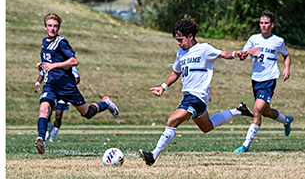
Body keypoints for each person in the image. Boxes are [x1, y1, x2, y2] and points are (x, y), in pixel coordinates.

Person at [139, 18, 255, 166]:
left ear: (190, 36)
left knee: (172, 120)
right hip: (188, 97)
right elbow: (176, 72)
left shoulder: (204, 49)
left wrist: (236, 53)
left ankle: (153, 156)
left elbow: (223, 54)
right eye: (177, 41)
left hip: (197, 97)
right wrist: (163, 87)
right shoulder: (181, 52)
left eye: (181, 40)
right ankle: (239, 110)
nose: (179, 43)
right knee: (207, 127)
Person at [35, 13, 119, 154]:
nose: (52, 29)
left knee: (87, 113)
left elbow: (74, 61)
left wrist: (54, 65)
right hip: (51, 85)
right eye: (50, 25)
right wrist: (42, 66)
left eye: (55, 26)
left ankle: (106, 104)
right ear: (45, 27)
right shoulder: (44, 42)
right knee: (44, 109)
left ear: (59, 28)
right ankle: (41, 139)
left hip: (67, 87)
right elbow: (48, 61)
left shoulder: (61, 42)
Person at [233, 9, 293, 153]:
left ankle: (245, 145)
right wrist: (247, 52)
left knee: (257, 110)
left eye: (266, 23)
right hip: (256, 80)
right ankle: (286, 121)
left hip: (269, 80)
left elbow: (286, 55)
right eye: (261, 23)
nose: (263, 26)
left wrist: (287, 69)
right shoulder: (253, 39)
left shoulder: (278, 41)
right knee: (266, 112)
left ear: (272, 25)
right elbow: (242, 56)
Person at [34, 66, 80, 142]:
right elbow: (43, 73)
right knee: (46, 112)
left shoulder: (68, 63)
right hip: (52, 91)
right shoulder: (49, 61)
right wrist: (37, 83)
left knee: (58, 116)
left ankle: (53, 137)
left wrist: (67, 85)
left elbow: (77, 78)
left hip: (63, 92)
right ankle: (48, 128)